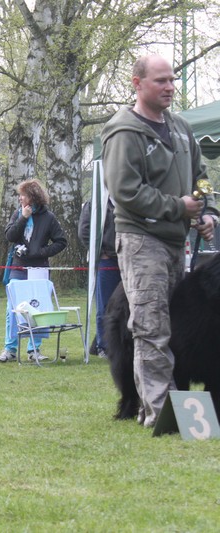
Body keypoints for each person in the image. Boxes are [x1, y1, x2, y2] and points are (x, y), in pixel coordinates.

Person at [102, 54, 218, 428]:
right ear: (137, 84)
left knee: (172, 328)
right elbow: (125, 191)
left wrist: (206, 211)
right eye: (161, 81)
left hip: (174, 242)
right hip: (141, 239)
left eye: (172, 80)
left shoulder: (181, 128)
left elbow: (201, 176)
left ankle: (176, 408)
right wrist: (178, 207)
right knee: (150, 326)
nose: (170, 87)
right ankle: (159, 412)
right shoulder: (124, 131)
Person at [0, 179, 67, 363]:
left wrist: (41, 252)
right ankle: (10, 349)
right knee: (12, 309)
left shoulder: (48, 217)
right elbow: (10, 236)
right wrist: (23, 218)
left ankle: (34, 349)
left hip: (39, 269)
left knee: (37, 308)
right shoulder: (18, 213)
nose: (20, 198)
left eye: (23, 195)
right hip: (18, 268)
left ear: (33, 197)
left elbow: (61, 241)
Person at [78, 198, 120, 359]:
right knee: (105, 305)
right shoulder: (95, 203)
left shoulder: (127, 199)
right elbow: (84, 231)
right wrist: (101, 252)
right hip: (107, 261)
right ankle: (104, 346)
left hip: (127, 259)